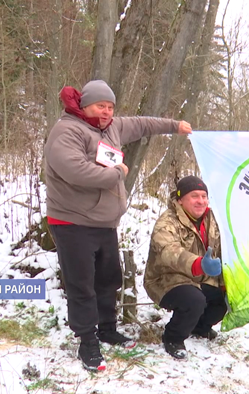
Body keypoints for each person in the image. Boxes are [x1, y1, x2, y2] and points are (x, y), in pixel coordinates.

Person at [44, 79, 193, 372]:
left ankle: (107, 329)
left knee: (108, 279)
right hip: (72, 221)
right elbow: (74, 170)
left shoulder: (111, 127)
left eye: (111, 107)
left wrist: (175, 125)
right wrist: (116, 174)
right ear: (85, 105)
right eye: (101, 106)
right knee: (81, 284)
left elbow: (142, 124)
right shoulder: (67, 131)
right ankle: (87, 341)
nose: (106, 112)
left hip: (104, 222)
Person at [144, 176, 227, 360]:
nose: (201, 201)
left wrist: (224, 281)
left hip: (200, 277)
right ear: (180, 200)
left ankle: (199, 327)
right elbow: (168, 252)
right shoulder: (167, 222)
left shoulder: (213, 218)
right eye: (194, 196)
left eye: (204, 196)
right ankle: (173, 337)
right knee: (194, 300)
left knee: (225, 299)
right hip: (166, 279)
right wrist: (198, 264)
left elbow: (225, 248)